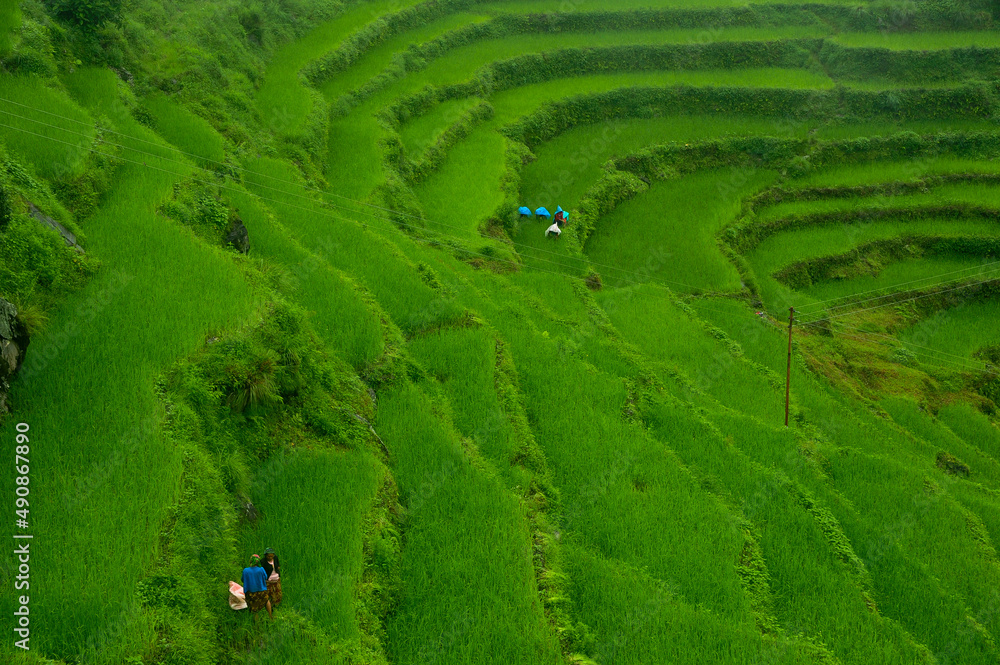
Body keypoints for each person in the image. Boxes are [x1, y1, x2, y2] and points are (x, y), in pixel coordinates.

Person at [241, 554, 272, 620]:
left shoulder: (245, 570)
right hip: (262, 591)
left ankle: (257, 626)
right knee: (266, 600)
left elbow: (242, 580)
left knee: (254, 609)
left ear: (251, 561)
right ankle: (270, 616)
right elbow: (265, 577)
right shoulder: (261, 569)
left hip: (251, 593)